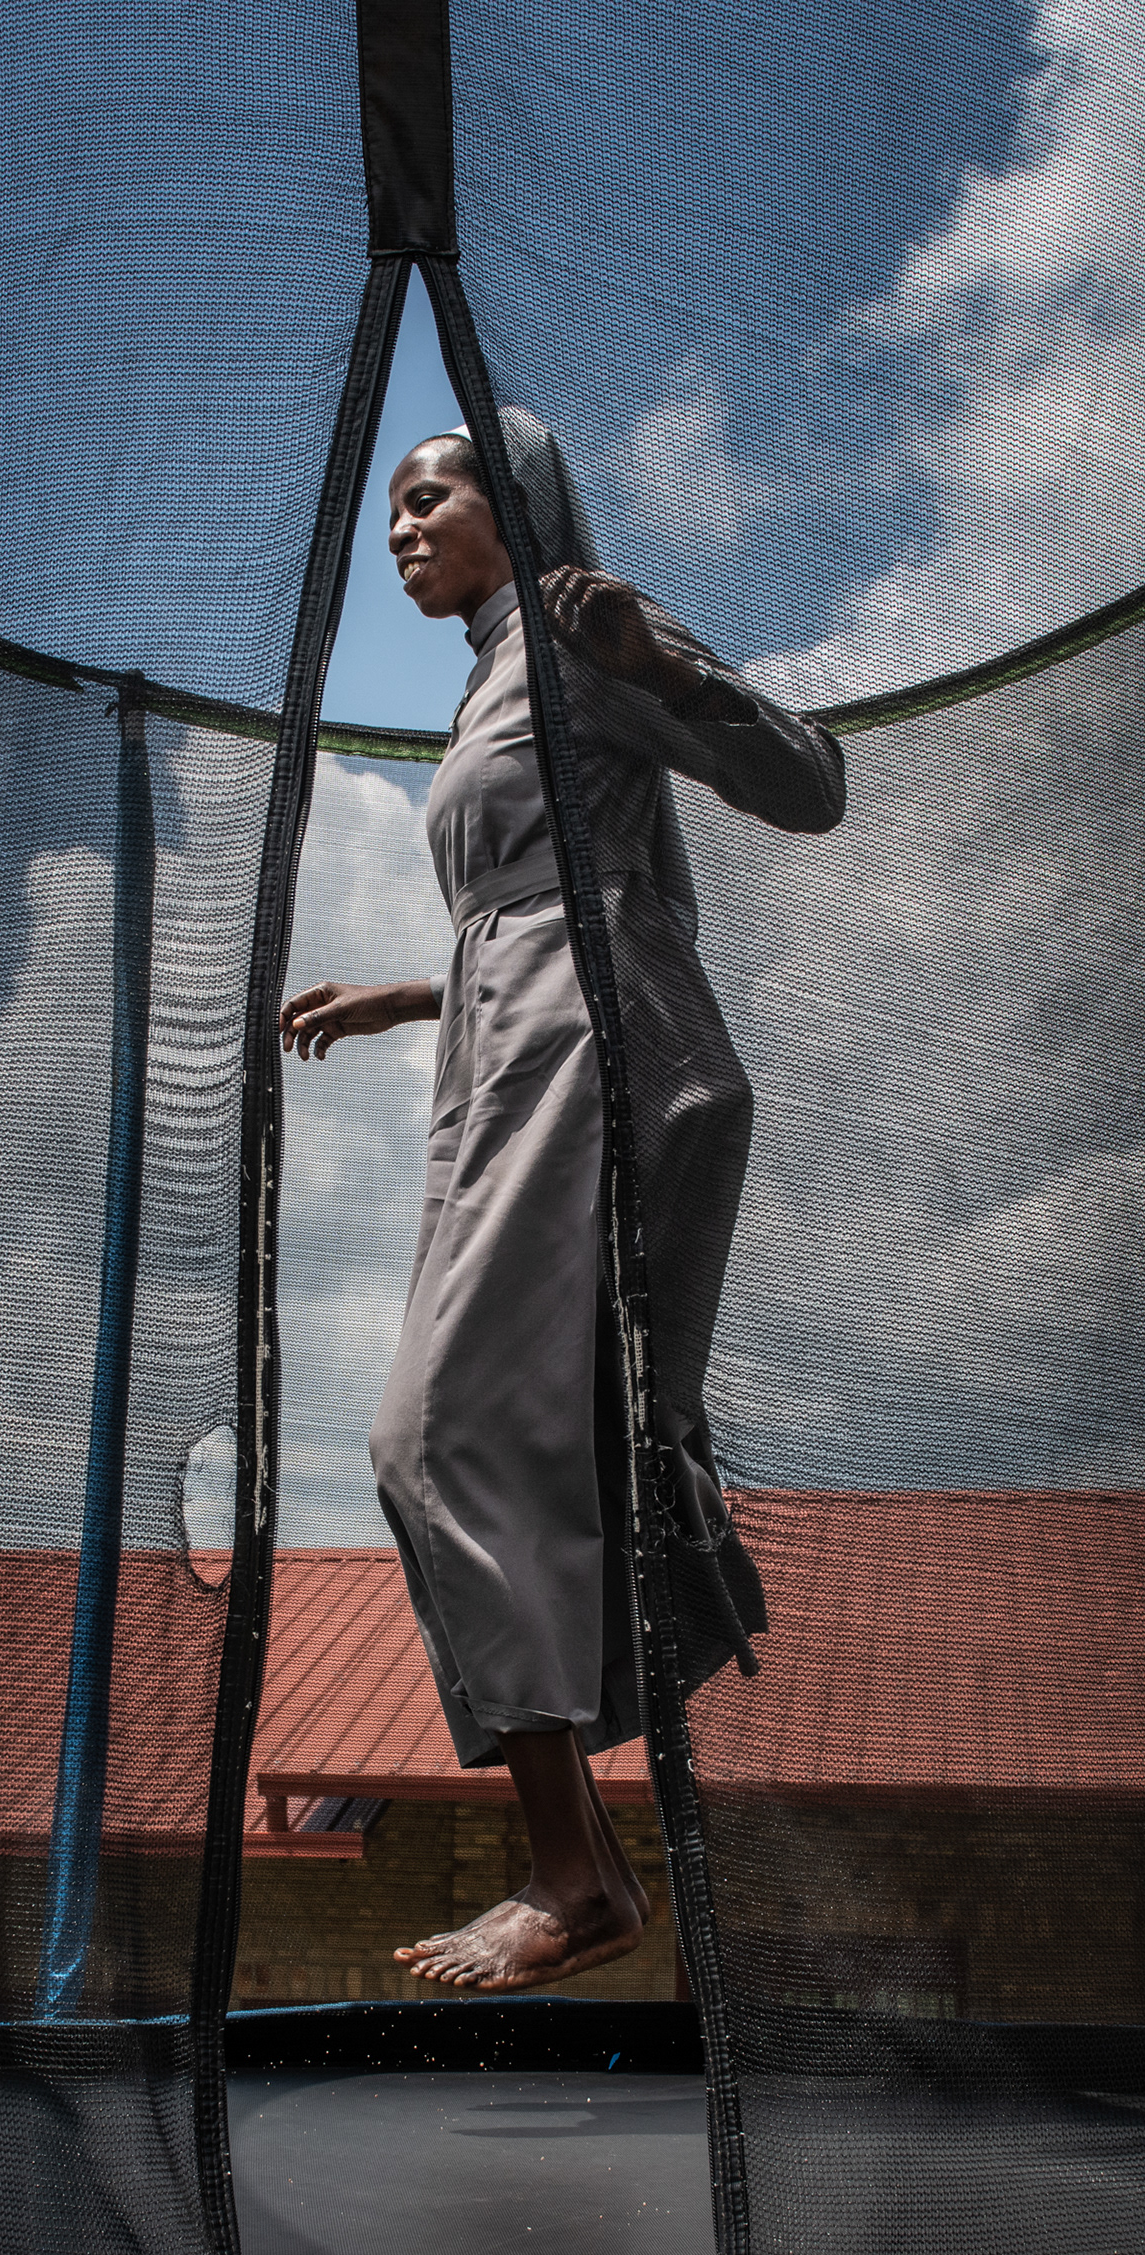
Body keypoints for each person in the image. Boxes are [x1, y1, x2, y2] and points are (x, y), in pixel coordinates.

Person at [281, 416, 846, 1994]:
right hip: (502, 1058)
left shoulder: (580, 630)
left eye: (431, 497)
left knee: (438, 1433)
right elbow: (540, 898)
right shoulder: (487, 674)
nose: (402, 527)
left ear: (515, 504)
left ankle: (575, 1872)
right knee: (488, 1438)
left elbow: (808, 785)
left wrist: (664, 670)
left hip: (595, 1065)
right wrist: (413, 994)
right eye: (393, 508)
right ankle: (583, 1868)